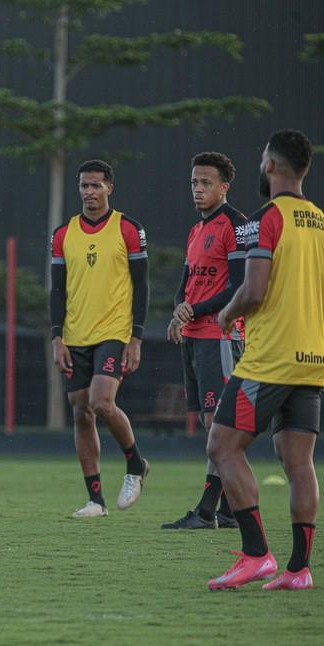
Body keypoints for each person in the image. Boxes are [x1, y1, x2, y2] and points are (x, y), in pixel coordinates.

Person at [206, 129, 323, 591]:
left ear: (270, 166)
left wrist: (227, 313)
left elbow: (254, 292)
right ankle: (299, 569)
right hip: (312, 358)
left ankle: (256, 554)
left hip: (269, 359)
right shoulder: (318, 219)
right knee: (298, 462)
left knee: (221, 446)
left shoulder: (265, 219)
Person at [50, 160, 150, 518]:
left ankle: (135, 464)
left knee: (101, 402)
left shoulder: (127, 229)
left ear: (109, 187)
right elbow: (57, 291)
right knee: (80, 412)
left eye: (96, 186)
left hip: (113, 332)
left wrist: (135, 337)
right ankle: (96, 500)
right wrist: (57, 337)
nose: (89, 193)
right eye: (84, 186)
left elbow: (141, 286)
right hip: (75, 335)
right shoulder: (63, 235)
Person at [162, 152, 247, 530]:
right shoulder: (196, 230)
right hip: (196, 335)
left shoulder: (237, 225)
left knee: (219, 424)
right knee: (212, 422)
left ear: (224, 186)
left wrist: (193, 310)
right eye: (194, 182)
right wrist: (179, 309)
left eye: (206, 182)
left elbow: (238, 286)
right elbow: (186, 283)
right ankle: (228, 510)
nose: (198, 189)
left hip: (222, 335)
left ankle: (207, 510)